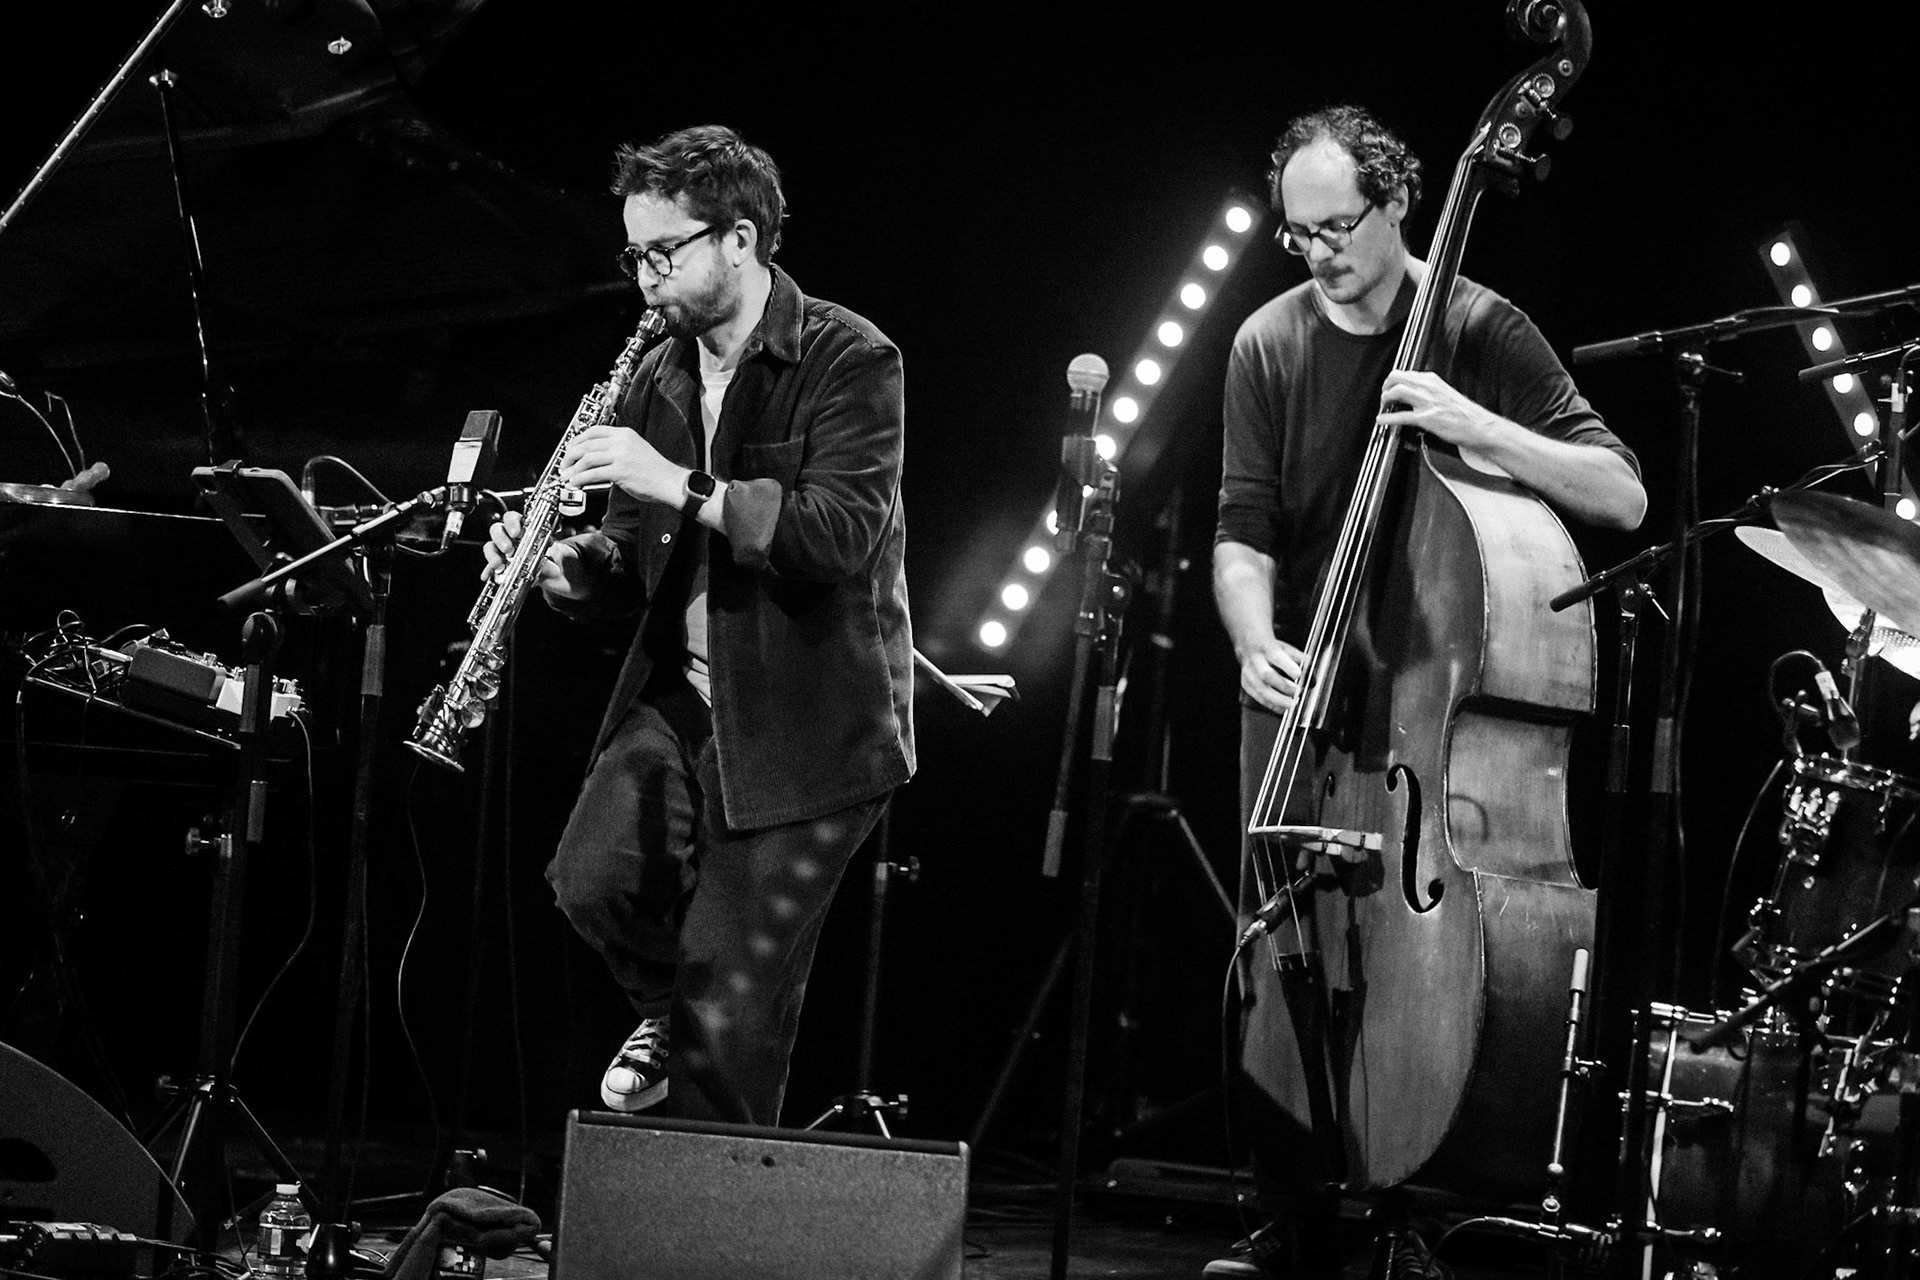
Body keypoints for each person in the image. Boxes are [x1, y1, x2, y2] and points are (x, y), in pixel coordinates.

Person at [1207, 105, 1645, 1277]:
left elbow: (1619, 493)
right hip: (1306, 707)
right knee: (1286, 951)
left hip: (1424, 735)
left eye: (1339, 225)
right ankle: (1290, 1206)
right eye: (1295, 235)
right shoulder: (1266, 340)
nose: (1319, 252)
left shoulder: (1478, 324)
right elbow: (1241, 532)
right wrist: (1252, 635)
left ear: (1401, 201)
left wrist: (1472, 423)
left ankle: (1431, 1210)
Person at [483, 124, 913, 1126]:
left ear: (741, 238)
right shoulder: (660, 371)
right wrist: (558, 567)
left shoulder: (852, 359)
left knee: (732, 1010)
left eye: (662, 253)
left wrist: (676, 478)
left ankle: (717, 1211)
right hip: (687, 698)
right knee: (590, 880)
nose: (644, 280)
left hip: (815, 720)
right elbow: (631, 553)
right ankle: (677, 1018)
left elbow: (834, 535)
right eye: (633, 254)